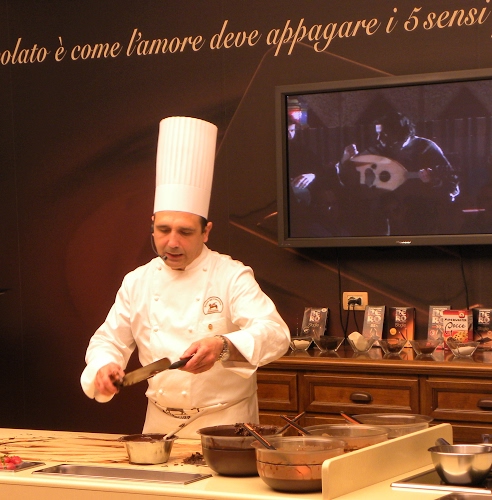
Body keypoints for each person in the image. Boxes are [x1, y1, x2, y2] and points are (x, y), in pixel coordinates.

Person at [81, 116, 291, 438]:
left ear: (206, 232)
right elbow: (108, 341)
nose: (172, 242)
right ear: (152, 226)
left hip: (226, 425)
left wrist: (223, 345)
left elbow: (276, 335)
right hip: (159, 425)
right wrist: (104, 367)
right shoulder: (137, 282)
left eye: (185, 232)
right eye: (163, 230)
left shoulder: (231, 276)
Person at [336, 111, 460, 236]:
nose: (378, 138)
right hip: (383, 224)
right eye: (377, 134)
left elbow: (452, 186)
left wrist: (435, 182)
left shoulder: (425, 148)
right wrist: (345, 160)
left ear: (398, 132)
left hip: (419, 222)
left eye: (383, 134)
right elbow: (349, 181)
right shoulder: (378, 150)